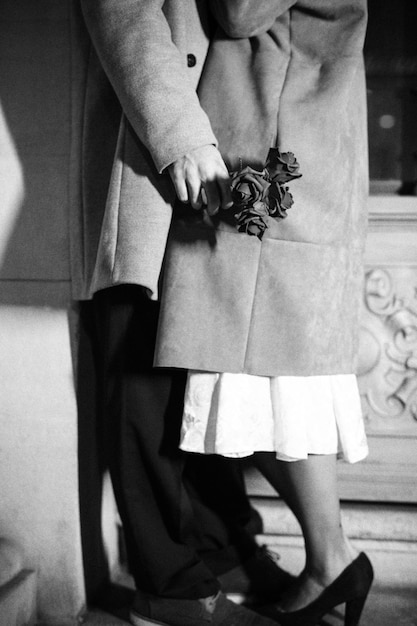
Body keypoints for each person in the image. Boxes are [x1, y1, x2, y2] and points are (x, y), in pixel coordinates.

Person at [70, 1, 290, 625]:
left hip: (224, 155)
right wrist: (181, 135)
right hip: (161, 157)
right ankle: (170, 588)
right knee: (145, 378)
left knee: (208, 380)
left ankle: (219, 555)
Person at [154, 1, 374, 625]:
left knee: (265, 375)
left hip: (274, 145)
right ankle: (331, 561)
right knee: (276, 375)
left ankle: (332, 560)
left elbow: (240, 8)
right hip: (299, 138)